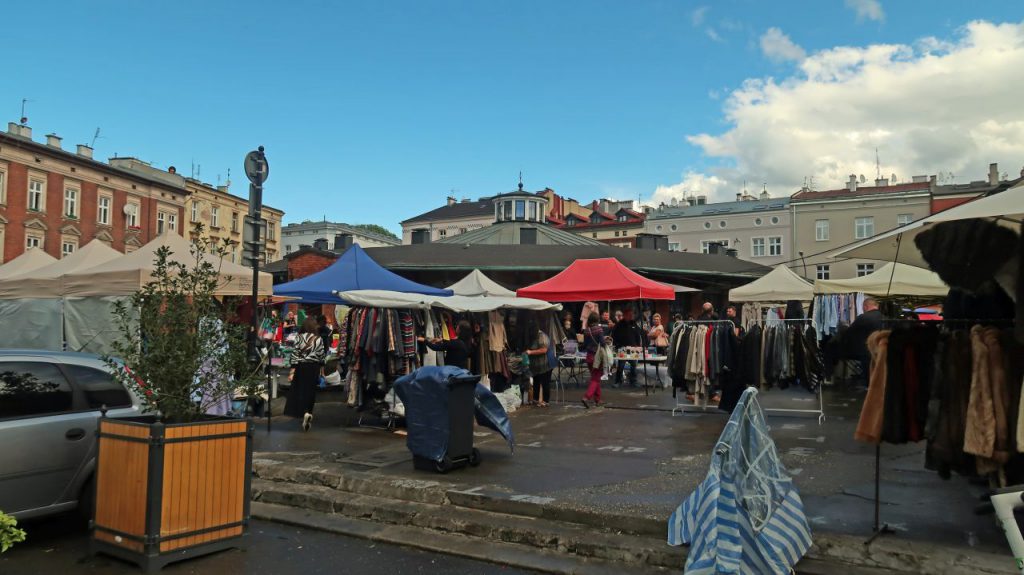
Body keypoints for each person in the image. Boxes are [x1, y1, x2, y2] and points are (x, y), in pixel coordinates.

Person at [285, 318, 326, 432]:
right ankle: (308, 411)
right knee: (310, 391)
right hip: (313, 368)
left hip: (301, 367)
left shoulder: (299, 337)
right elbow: (321, 356)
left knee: (301, 390)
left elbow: (295, 354)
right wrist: (322, 372)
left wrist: (292, 370)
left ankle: (303, 412)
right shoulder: (319, 339)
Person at [845, 297, 884, 389]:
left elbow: (850, 332)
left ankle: (870, 388)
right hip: (882, 349)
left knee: (868, 370)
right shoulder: (885, 318)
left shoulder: (862, 318)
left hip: (866, 350)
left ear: (865, 306)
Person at [611, 308, 644, 387]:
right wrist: (617, 345)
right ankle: (618, 381)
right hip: (622, 348)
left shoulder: (634, 323)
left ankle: (633, 381)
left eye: (632, 315)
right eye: (630, 315)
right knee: (621, 365)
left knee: (634, 365)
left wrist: (638, 346)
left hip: (633, 349)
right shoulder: (619, 324)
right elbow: (614, 335)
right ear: (625, 315)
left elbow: (638, 334)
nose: (631, 316)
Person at [526, 319, 554, 407]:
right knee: (536, 381)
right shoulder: (532, 336)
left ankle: (545, 401)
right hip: (536, 364)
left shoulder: (542, 336)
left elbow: (544, 350)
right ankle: (535, 399)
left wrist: (530, 352)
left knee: (545, 382)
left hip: (546, 363)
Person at [581, 312, 604, 408]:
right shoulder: (599, 329)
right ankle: (586, 397)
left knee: (595, 377)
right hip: (597, 357)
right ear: (597, 319)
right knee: (596, 378)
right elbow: (602, 343)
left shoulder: (586, 330)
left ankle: (598, 400)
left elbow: (585, 345)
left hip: (589, 357)